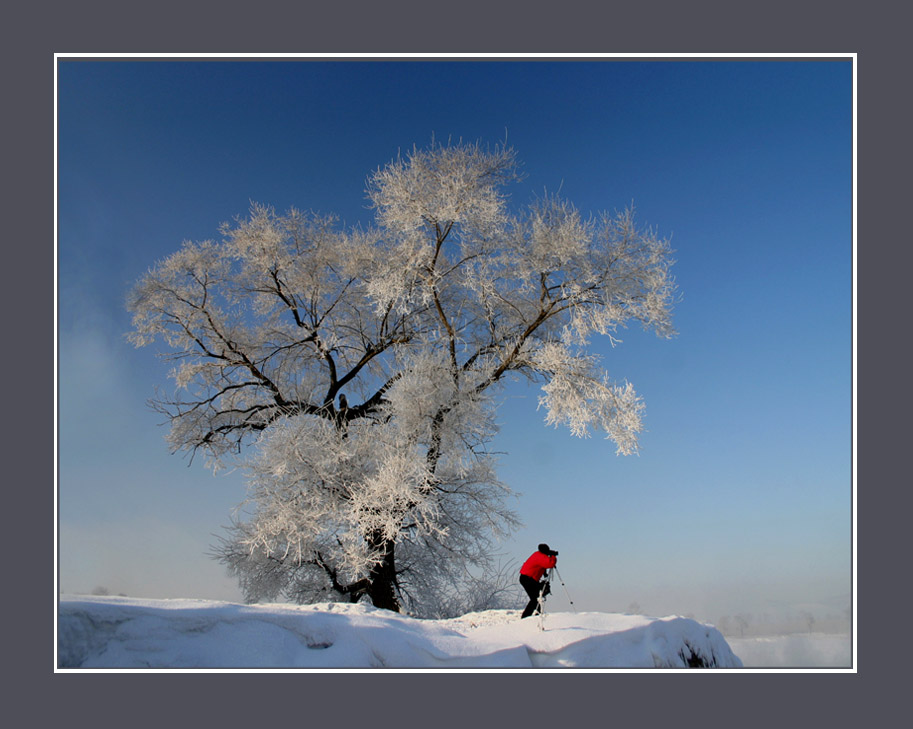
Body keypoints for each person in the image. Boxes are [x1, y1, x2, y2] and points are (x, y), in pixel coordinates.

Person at [519, 543, 558, 618]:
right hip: (527, 579)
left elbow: (541, 565)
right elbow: (550, 564)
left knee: (536, 597)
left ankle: (538, 613)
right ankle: (526, 616)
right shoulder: (540, 556)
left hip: (528, 578)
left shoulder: (537, 554)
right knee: (535, 598)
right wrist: (553, 556)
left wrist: (544, 573)